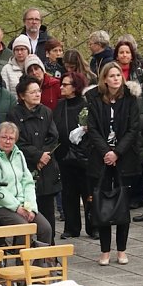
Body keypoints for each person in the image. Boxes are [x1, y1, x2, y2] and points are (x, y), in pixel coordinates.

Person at [85, 62, 141, 265]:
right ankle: (105, 250)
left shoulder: (130, 99)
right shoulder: (94, 99)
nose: (116, 79)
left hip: (124, 158)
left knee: (122, 204)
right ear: (104, 79)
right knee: (102, 204)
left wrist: (117, 152)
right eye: (111, 76)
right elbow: (92, 129)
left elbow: (133, 129)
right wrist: (106, 152)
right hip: (100, 158)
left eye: (118, 75)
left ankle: (122, 250)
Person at [0, 122, 53, 245]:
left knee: (46, 228)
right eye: (4, 137)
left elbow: (28, 182)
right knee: (24, 228)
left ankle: (40, 257)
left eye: (11, 138)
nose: (7, 141)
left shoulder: (19, 154)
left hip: (21, 204)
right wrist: (17, 207)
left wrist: (31, 208)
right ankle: (21, 257)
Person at [7, 76, 61, 245]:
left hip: (47, 167)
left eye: (38, 91)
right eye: (32, 92)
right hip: (25, 166)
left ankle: (49, 250)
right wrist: (37, 156)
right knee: (26, 210)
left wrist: (44, 156)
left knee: (48, 211)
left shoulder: (46, 112)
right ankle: (22, 248)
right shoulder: (14, 114)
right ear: (22, 95)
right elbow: (17, 141)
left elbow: (53, 137)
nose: (37, 95)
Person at [54, 72, 95, 239]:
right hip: (65, 156)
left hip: (85, 156)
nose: (61, 87)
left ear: (75, 87)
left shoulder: (86, 105)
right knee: (68, 193)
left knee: (89, 193)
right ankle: (71, 227)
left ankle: (94, 226)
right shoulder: (60, 106)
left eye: (65, 84)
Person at [115, 39, 143, 209]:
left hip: (138, 122)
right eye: (121, 52)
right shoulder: (112, 72)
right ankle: (121, 195)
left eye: (127, 52)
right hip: (118, 122)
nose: (124, 55)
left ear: (132, 55)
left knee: (139, 158)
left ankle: (138, 196)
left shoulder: (140, 74)